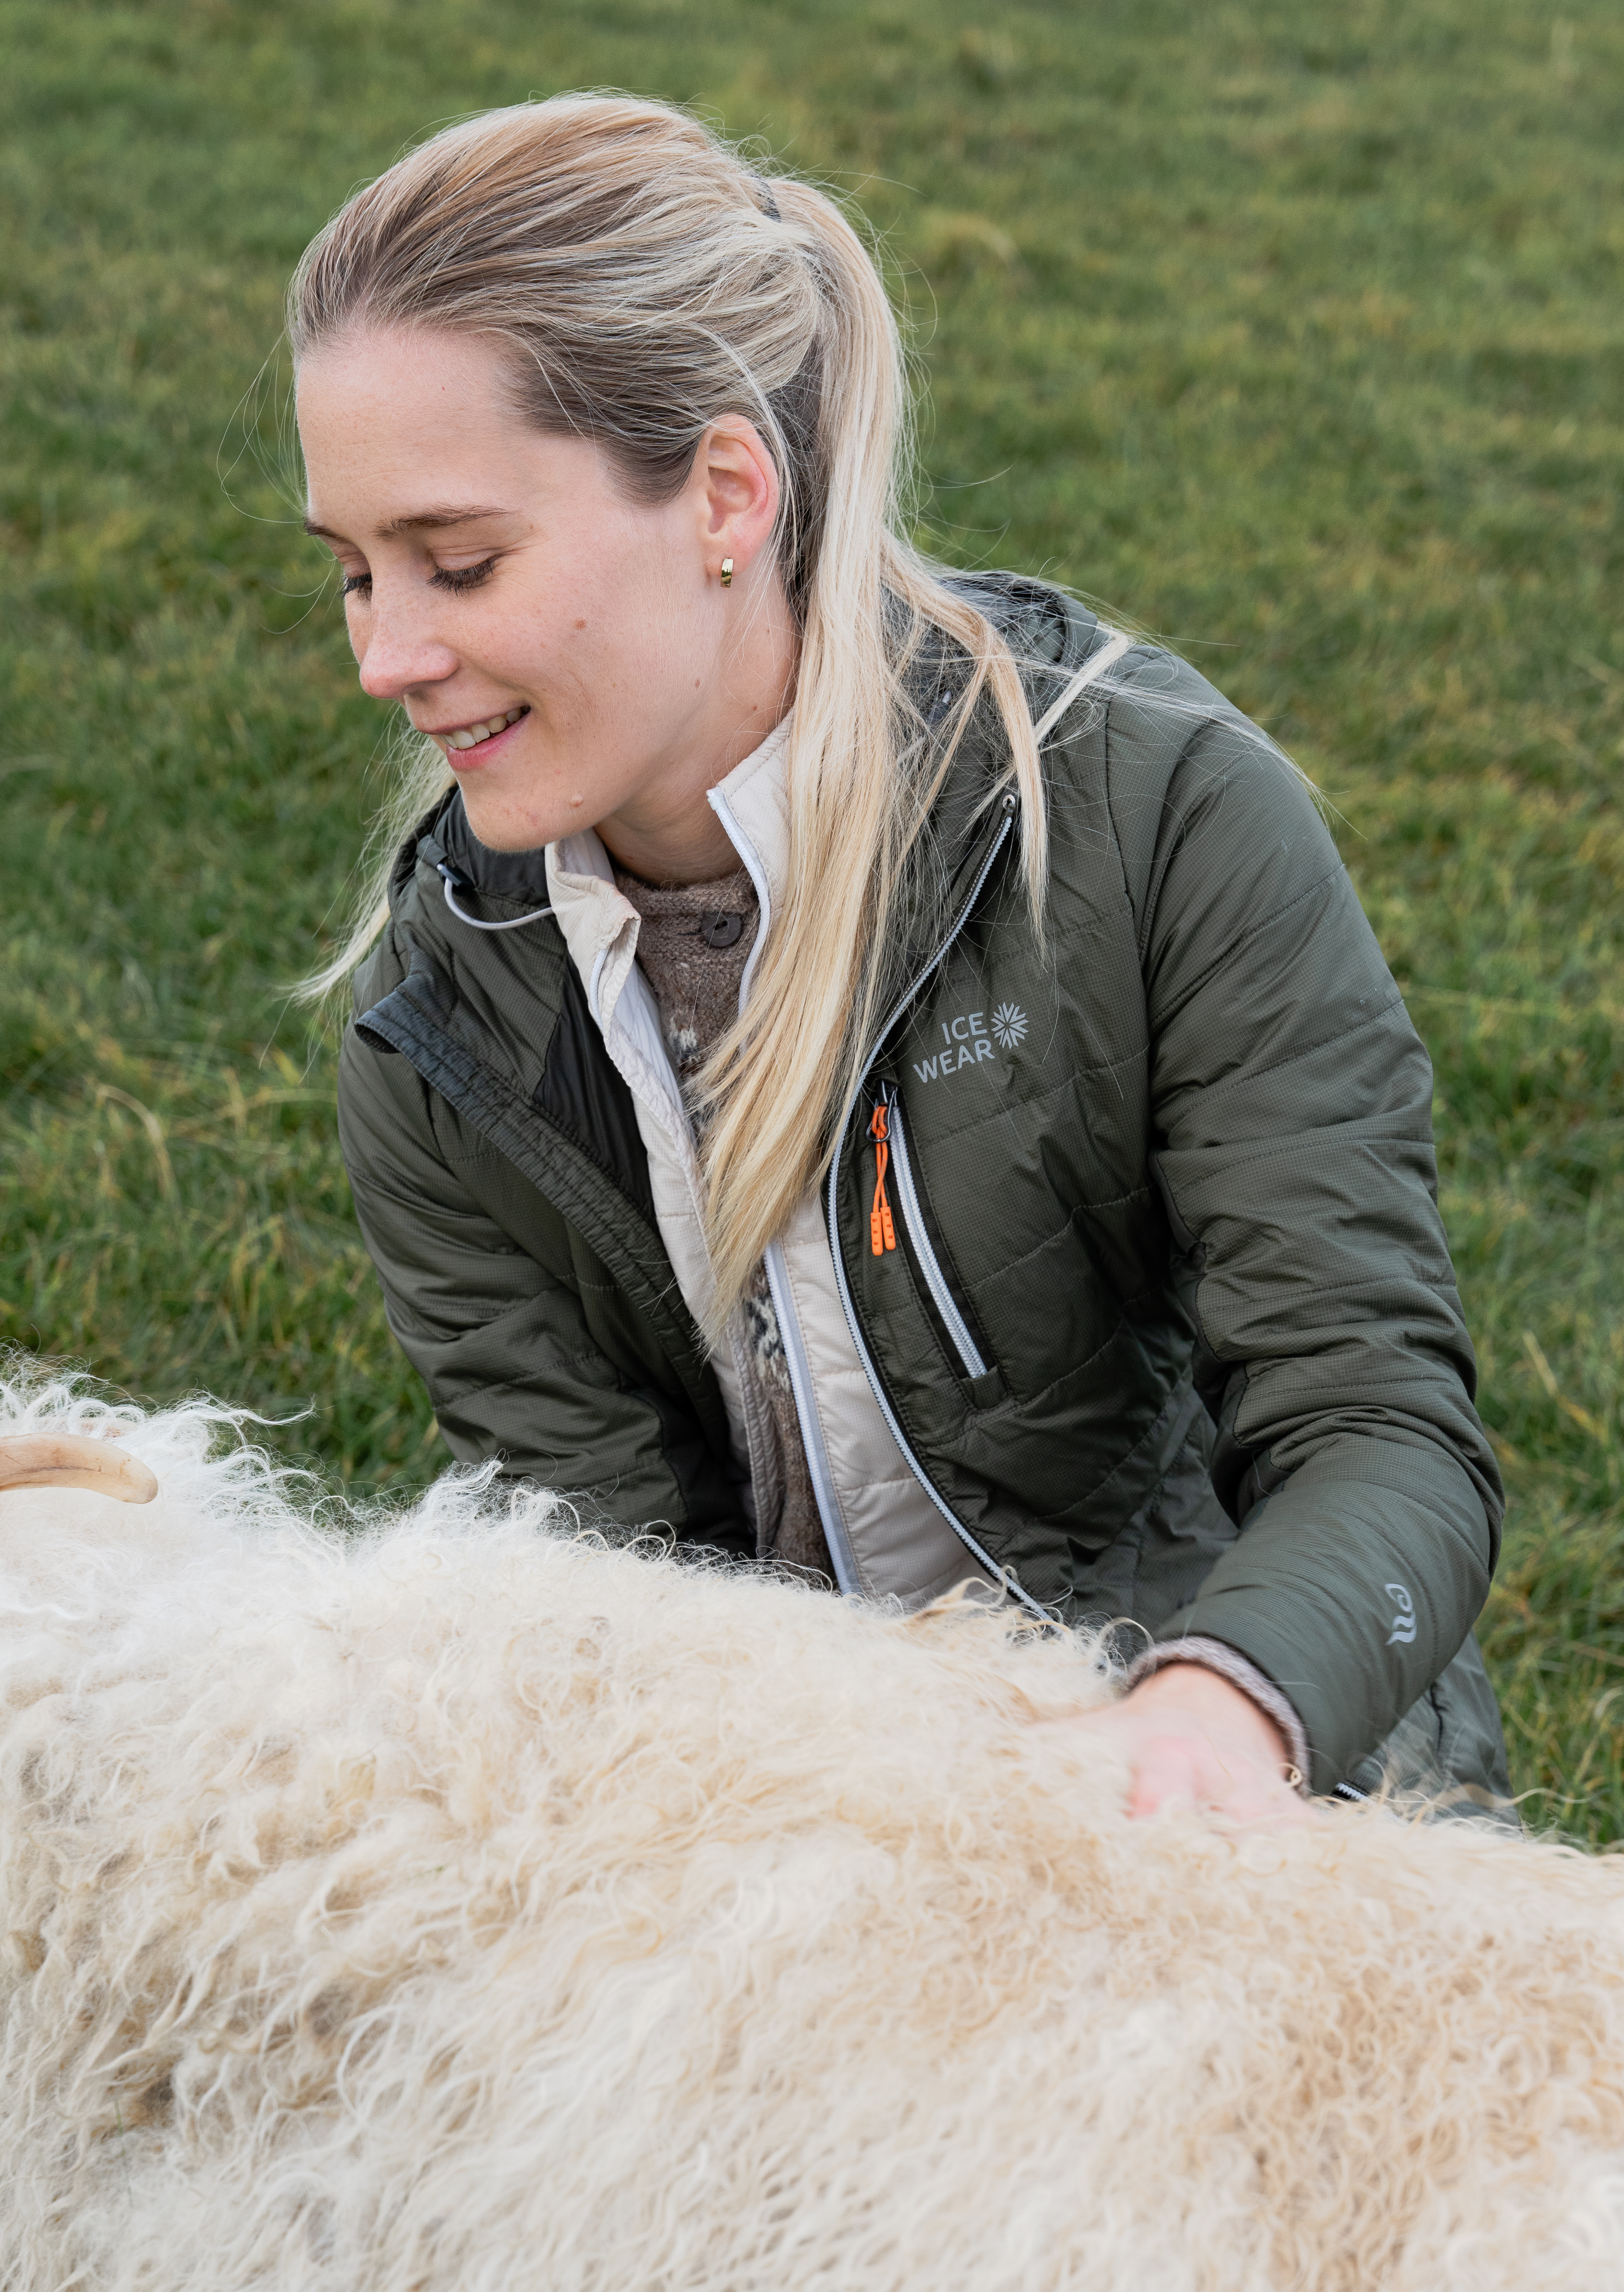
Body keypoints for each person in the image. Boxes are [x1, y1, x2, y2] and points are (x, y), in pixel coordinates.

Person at [289, 94, 1511, 1828]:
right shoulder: (444, 1034)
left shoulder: (1156, 818)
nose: (385, 655)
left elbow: (1381, 1435)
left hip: (1242, 1794)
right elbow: (608, 1585)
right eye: (351, 574)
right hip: (801, 1841)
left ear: (726, 492)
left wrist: (1213, 1717)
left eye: (458, 561)